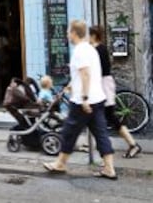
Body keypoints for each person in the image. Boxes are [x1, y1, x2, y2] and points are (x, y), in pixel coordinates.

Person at [43, 20, 117, 180]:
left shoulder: (79, 51)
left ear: (74, 33)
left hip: (83, 102)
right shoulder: (91, 49)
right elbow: (83, 74)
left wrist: (84, 97)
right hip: (98, 99)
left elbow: (85, 74)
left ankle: (60, 164)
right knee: (101, 133)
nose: (67, 34)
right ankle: (109, 168)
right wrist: (70, 86)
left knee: (69, 132)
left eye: (69, 31)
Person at [89, 26, 142, 158]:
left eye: (88, 35)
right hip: (102, 84)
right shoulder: (99, 49)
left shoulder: (98, 49)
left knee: (109, 117)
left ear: (94, 35)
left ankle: (132, 144)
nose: (87, 38)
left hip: (103, 85)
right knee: (99, 116)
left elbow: (98, 70)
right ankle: (94, 145)